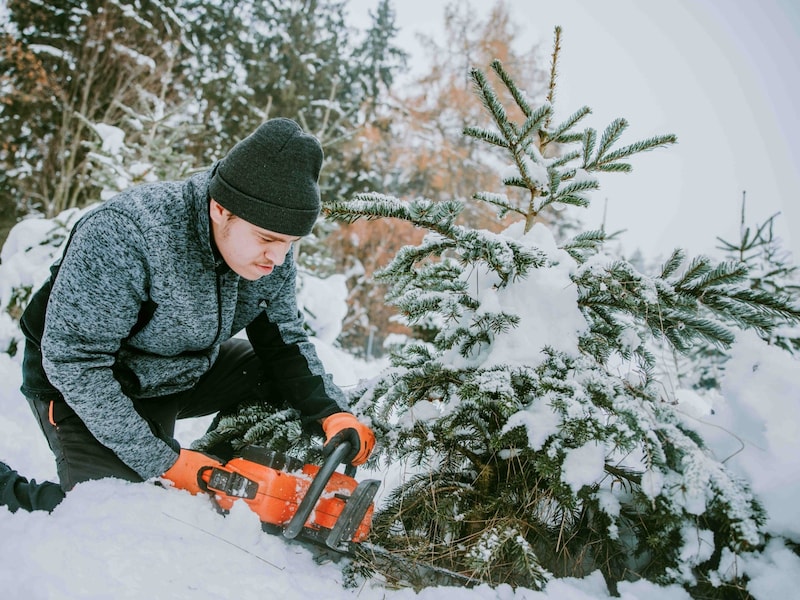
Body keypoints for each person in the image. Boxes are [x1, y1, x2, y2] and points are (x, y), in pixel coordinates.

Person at [2, 118, 375, 513]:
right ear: (220, 209)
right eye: (268, 240)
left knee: (276, 379)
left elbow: (283, 341)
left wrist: (331, 412)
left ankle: (223, 477)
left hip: (178, 372)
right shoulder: (127, 234)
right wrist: (166, 461)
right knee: (114, 510)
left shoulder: (267, 249)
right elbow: (74, 361)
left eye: (290, 243)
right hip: (84, 383)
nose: (278, 259)